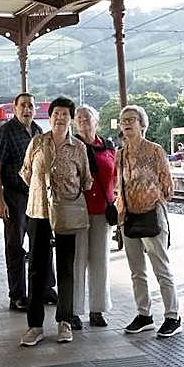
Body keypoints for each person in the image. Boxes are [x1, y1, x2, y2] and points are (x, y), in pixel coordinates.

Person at [18, 96, 91, 347]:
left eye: (65, 114)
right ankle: (35, 325)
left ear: (71, 119)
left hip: (67, 212)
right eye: (56, 113)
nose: (60, 118)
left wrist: (64, 196)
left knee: (66, 269)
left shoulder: (78, 148)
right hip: (38, 212)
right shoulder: (38, 142)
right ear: (49, 117)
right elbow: (26, 173)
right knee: (37, 268)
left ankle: (65, 321)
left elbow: (86, 180)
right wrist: (43, 195)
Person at [117, 104, 181, 338]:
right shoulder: (120, 153)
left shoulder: (155, 151)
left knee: (161, 268)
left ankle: (173, 316)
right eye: (124, 120)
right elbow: (119, 185)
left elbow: (168, 186)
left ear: (143, 124)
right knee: (136, 270)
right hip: (129, 217)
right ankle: (144, 314)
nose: (127, 123)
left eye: (132, 119)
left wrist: (149, 198)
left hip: (152, 215)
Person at [0, 93, 55, 311]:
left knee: (42, 242)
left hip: (37, 196)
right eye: (23, 105)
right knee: (15, 246)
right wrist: (0, 202)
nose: (27, 109)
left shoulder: (38, 131)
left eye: (31, 105)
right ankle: (17, 294)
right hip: (14, 196)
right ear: (15, 108)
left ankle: (46, 288)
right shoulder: (5, 133)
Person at [72, 103, 116, 329]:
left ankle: (97, 309)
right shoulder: (70, 146)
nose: (83, 121)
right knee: (77, 261)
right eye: (79, 118)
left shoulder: (108, 146)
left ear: (96, 122)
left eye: (87, 118)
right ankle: (74, 311)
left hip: (102, 211)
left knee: (100, 262)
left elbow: (115, 175)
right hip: (77, 211)